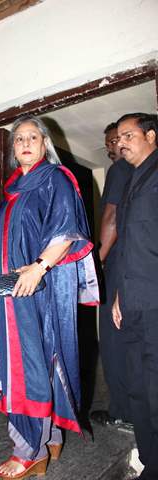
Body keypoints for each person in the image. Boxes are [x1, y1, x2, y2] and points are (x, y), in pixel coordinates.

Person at [0, 115, 99, 479]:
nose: (24, 143)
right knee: (35, 363)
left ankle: (28, 449)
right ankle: (48, 436)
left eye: (32, 137)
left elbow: (66, 232)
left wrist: (38, 268)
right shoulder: (13, 190)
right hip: (11, 291)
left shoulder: (55, 179)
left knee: (27, 367)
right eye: (18, 138)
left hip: (35, 288)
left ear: (44, 143)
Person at [112, 113, 158, 480]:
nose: (120, 142)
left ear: (151, 136)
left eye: (128, 135)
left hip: (156, 302)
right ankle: (150, 462)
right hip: (131, 302)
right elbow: (129, 246)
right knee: (138, 389)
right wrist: (117, 298)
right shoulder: (130, 181)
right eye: (118, 137)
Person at [90, 123, 133, 428]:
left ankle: (121, 411)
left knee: (113, 340)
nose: (111, 147)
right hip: (136, 267)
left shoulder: (119, 171)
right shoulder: (142, 171)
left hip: (116, 265)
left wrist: (95, 263)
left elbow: (112, 217)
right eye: (107, 142)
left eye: (115, 140)